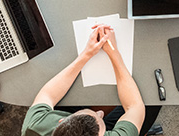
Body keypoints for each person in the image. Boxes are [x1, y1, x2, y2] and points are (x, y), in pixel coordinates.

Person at [22, 24, 150, 136]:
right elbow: (135, 106)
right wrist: (113, 52)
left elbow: (47, 95)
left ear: (61, 121)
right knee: (150, 100)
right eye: (100, 118)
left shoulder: (34, 127)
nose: (100, 112)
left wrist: (87, 53)